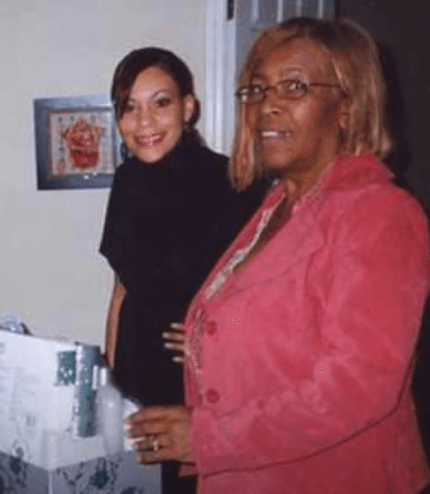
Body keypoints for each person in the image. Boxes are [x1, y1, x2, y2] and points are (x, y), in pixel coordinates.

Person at [126, 17, 430, 493]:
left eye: (294, 87)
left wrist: (207, 436)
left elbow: (357, 388)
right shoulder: (277, 205)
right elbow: (283, 329)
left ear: (348, 105)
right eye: (256, 90)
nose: (267, 105)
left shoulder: (379, 213)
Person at [98, 48, 263, 493]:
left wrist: (218, 339)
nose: (145, 121)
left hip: (201, 384)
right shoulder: (127, 182)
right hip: (135, 375)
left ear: (189, 107)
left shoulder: (236, 184)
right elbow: (120, 292)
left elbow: (265, 301)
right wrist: (109, 385)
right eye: (129, 107)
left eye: (161, 102)